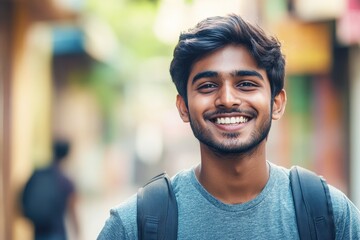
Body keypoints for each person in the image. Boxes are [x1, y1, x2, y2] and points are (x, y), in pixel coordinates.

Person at [97, 14, 360, 239]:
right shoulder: (134, 226)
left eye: (246, 83)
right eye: (208, 86)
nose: (227, 99)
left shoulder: (330, 216)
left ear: (277, 103)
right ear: (184, 107)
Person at [22, 140, 79, 240]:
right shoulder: (66, 181)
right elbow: (73, 211)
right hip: (57, 233)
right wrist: (78, 232)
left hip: (38, 233)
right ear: (67, 155)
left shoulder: (38, 174)